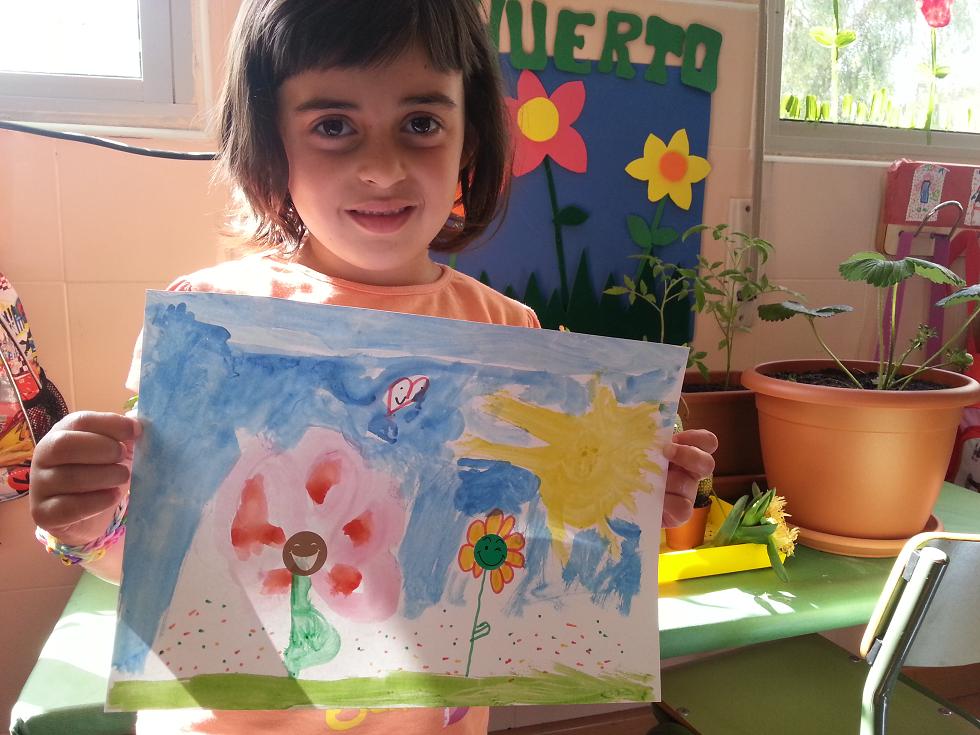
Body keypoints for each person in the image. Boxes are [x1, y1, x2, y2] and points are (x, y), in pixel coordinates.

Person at [29, 0, 717, 732]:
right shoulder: (211, 320)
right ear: (271, 143)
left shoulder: (507, 335)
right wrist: (87, 517)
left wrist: (627, 502)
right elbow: (147, 555)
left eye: (421, 123)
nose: (383, 167)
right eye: (333, 125)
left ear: (469, 137)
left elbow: (527, 553)